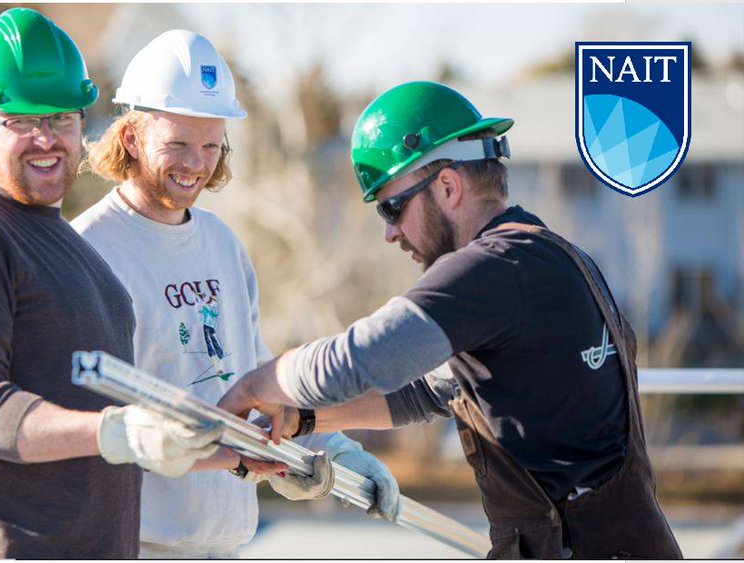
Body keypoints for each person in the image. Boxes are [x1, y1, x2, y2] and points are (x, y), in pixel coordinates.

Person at [217, 81, 682, 558]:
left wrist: (256, 385)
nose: (389, 232)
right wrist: (301, 419)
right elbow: (434, 390)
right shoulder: (548, 257)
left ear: (447, 185)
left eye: (391, 206)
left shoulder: (494, 268)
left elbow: (364, 357)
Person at [72, 30, 400, 559]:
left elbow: (255, 378)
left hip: (224, 541)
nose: (196, 163)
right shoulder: (88, 252)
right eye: (178, 143)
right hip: (132, 543)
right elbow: (80, 425)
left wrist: (330, 452)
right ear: (131, 137)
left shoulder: (222, 245)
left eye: (210, 144)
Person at [0, 9, 222, 558]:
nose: (46, 138)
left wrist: (246, 456)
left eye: (61, 117)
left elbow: (119, 421)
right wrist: (116, 433)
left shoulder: (76, 249)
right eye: (20, 119)